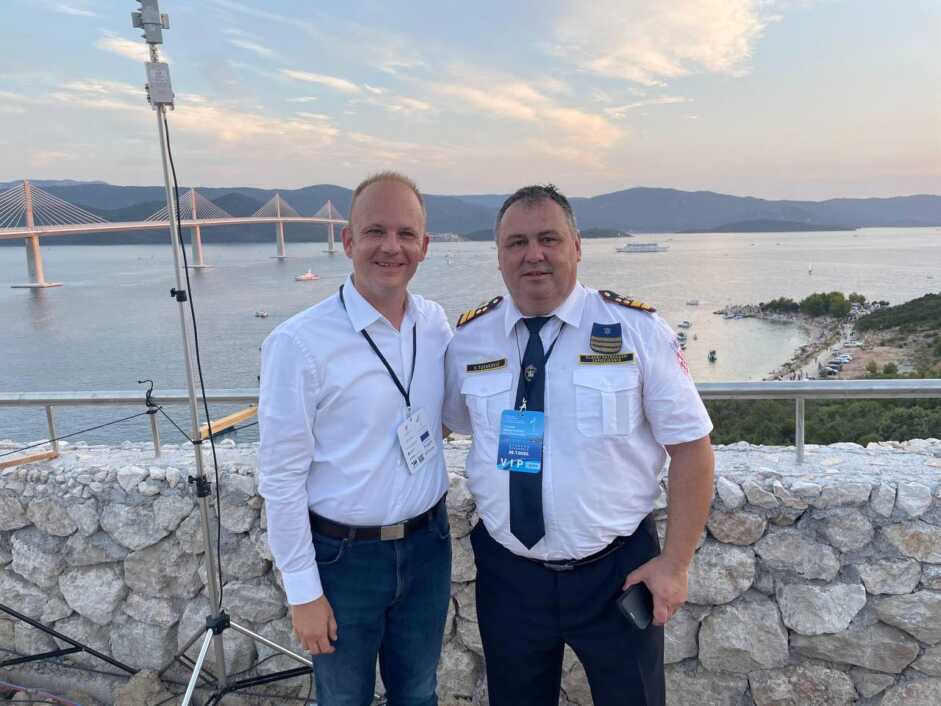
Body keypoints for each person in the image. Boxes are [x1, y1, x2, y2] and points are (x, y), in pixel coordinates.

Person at [443, 184, 715, 706]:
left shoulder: (635, 330)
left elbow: (692, 448)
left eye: (548, 239)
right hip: (509, 574)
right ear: (499, 256)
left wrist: (676, 565)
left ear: (577, 246)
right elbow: (451, 423)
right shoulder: (470, 340)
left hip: (617, 574)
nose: (533, 254)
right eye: (517, 242)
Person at [258, 172, 453, 706]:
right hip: (342, 560)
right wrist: (303, 591)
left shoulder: (435, 325)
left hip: (428, 545)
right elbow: (281, 476)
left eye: (406, 234)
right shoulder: (298, 344)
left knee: (419, 693)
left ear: (424, 246)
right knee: (344, 700)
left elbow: (455, 412)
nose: (392, 247)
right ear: (348, 241)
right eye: (375, 232)